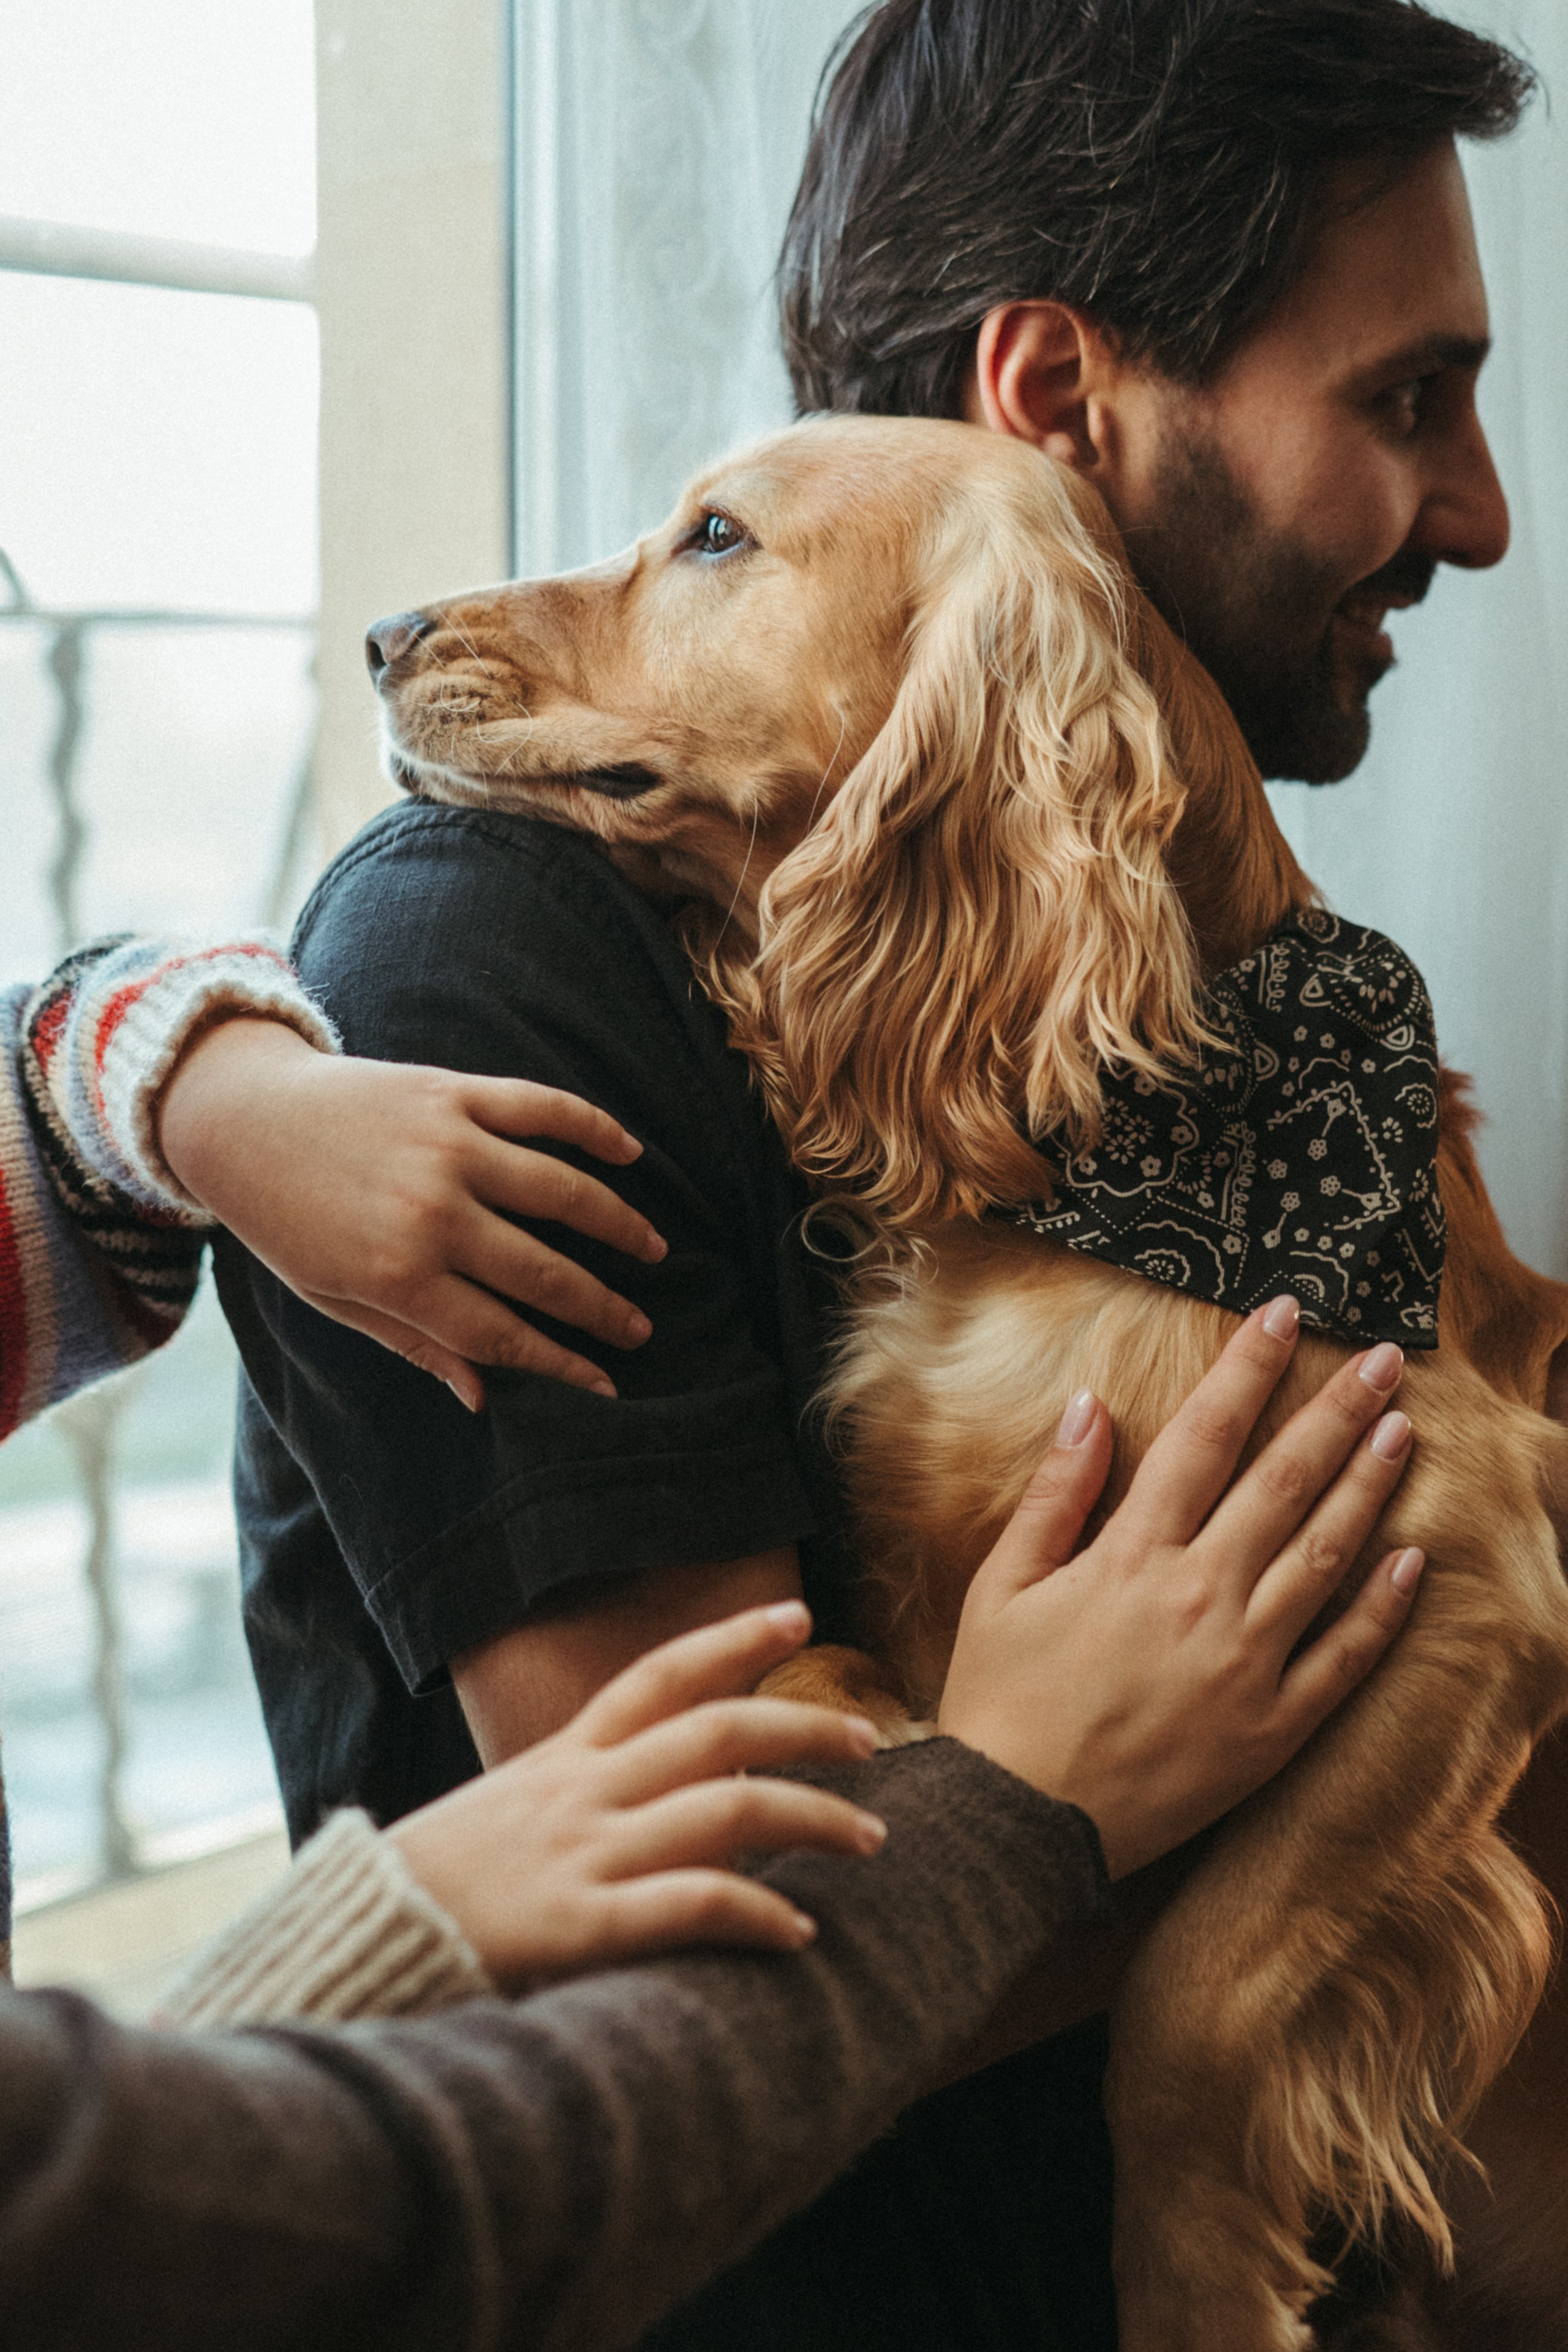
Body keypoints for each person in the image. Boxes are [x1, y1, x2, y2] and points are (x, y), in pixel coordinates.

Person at [209, 2, 1523, 2343]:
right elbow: (707, 1958)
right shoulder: (490, 955)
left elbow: (1476, 1553)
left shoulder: (1264, 998)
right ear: (1055, 395)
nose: (1483, 510)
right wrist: (1090, 1804)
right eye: (1404, 398)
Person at [2, 935, 1420, 2342]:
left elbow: (126, 2177)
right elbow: (400, 2209)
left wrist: (217, 1097)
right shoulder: (467, 951)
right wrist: (1008, 1804)